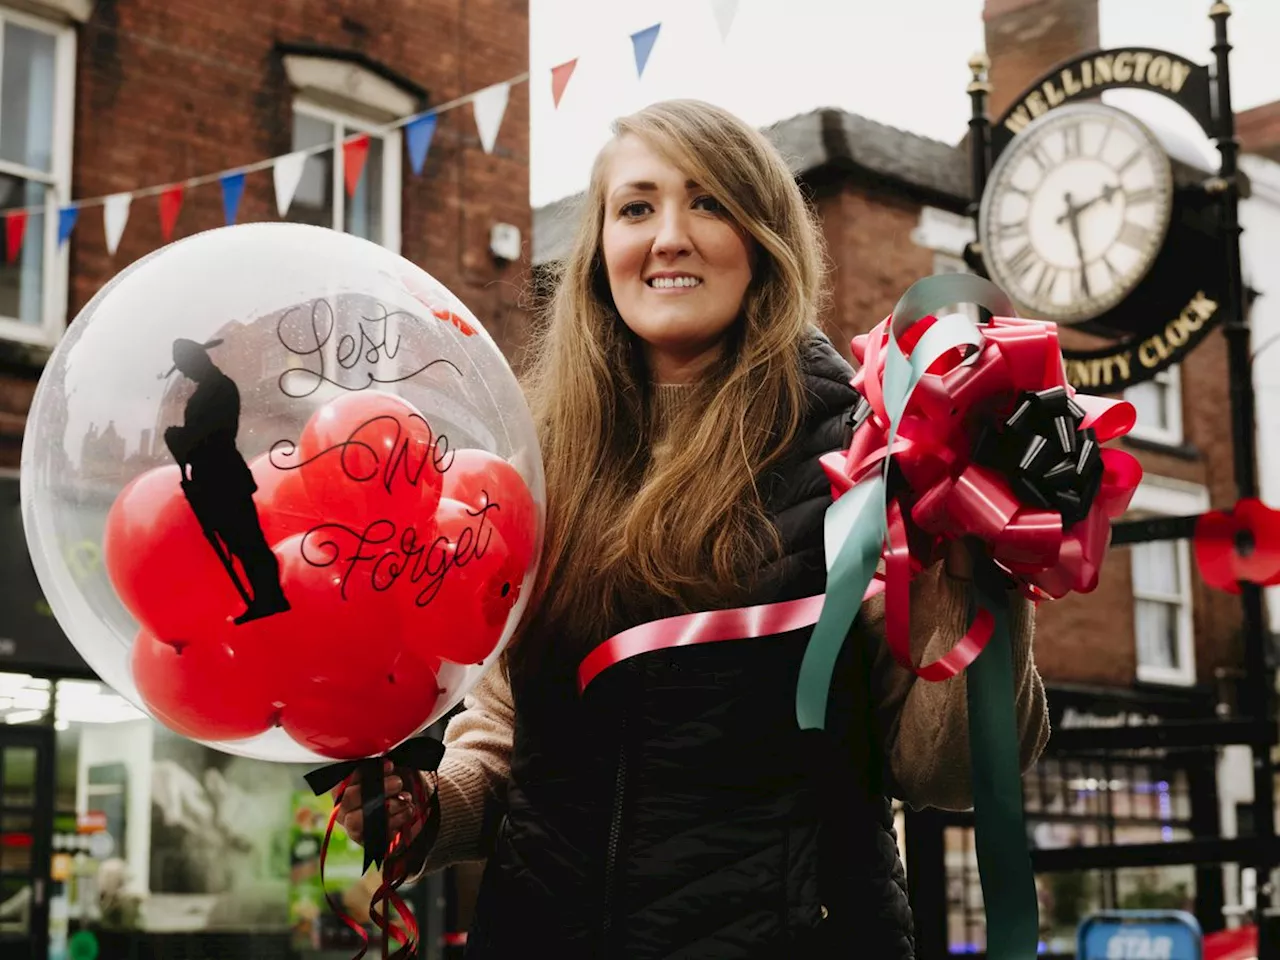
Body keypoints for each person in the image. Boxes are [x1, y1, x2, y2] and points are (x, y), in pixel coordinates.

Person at [337, 99, 1049, 958]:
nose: (668, 235)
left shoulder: (865, 450)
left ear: (764, 238)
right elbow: (506, 738)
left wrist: (984, 554)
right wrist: (432, 806)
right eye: (636, 207)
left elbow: (947, 771)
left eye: (708, 201)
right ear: (601, 251)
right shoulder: (540, 459)